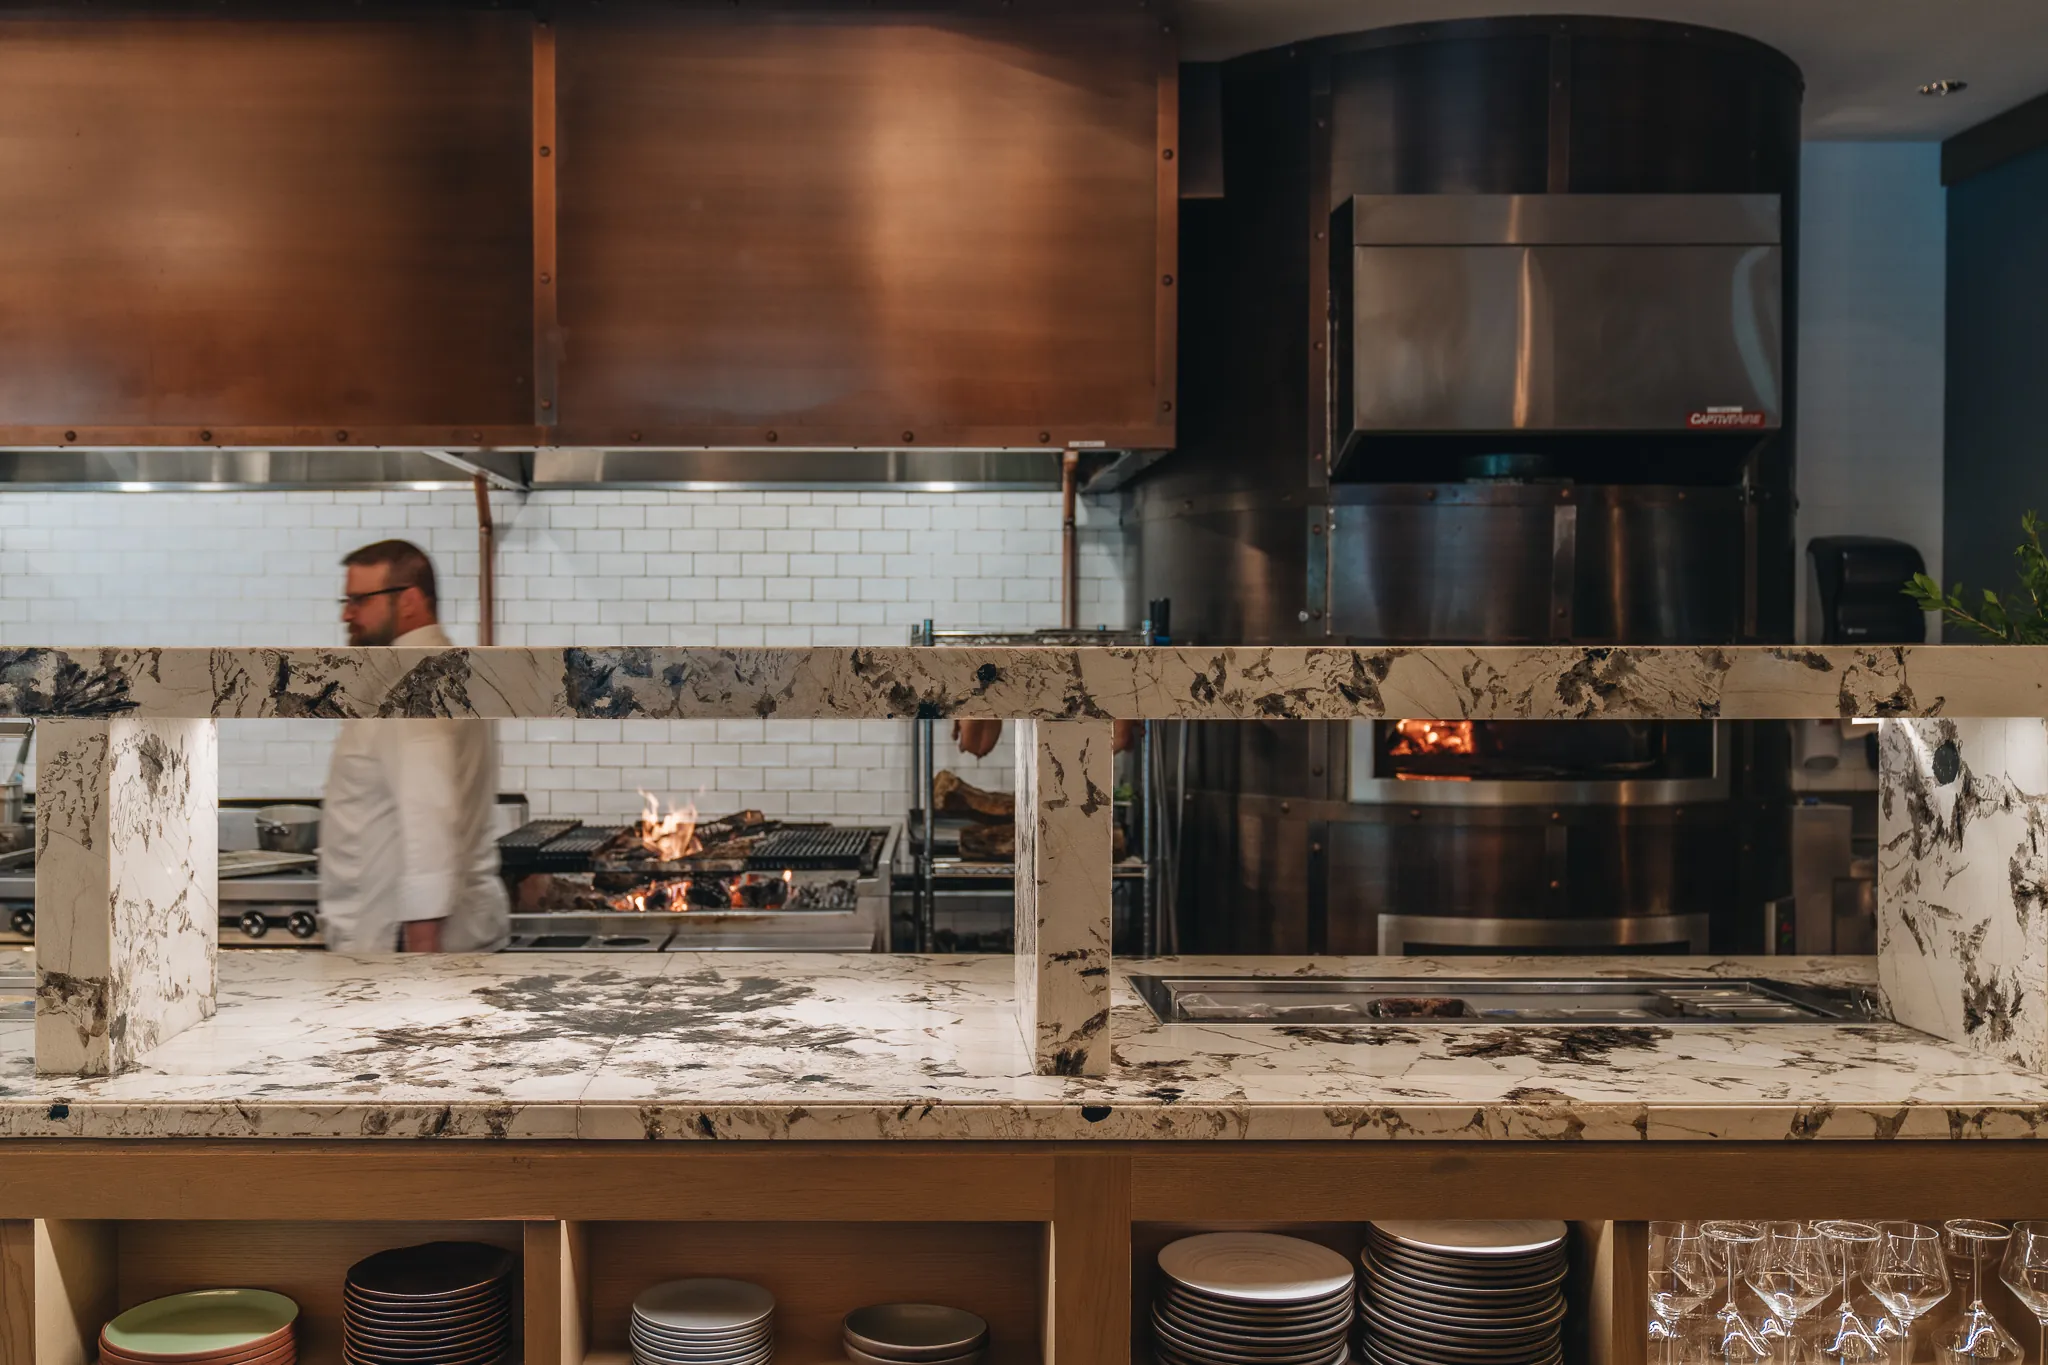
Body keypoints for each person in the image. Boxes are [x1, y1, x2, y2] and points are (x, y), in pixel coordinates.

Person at [319, 540, 510, 954]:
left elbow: (428, 814)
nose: (346, 613)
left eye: (358, 600)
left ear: (408, 600)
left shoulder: (412, 680)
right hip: (421, 944)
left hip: (403, 951)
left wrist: (423, 962)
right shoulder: (445, 666)